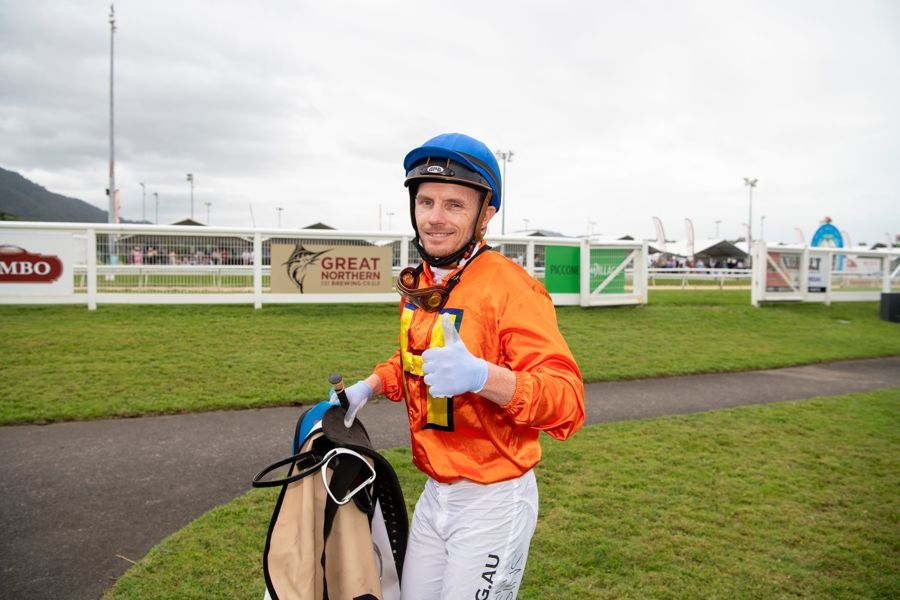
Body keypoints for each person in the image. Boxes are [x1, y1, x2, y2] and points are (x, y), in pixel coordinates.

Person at [334, 132, 585, 599]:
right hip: (436, 491)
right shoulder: (423, 282)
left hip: (495, 498)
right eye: (426, 201)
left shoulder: (513, 289)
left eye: (454, 204)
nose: (435, 217)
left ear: (484, 215)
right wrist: (371, 385)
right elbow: (416, 359)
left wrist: (483, 377)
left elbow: (566, 400)